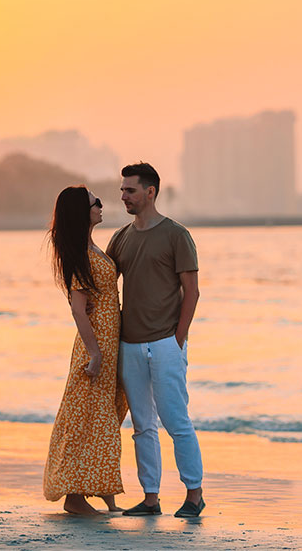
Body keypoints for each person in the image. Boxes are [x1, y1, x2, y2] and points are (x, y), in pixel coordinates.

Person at [106, 162, 205, 518]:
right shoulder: (121, 237)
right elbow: (102, 283)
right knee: (142, 426)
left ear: (150, 192)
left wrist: (177, 340)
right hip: (129, 345)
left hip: (165, 343)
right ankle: (151, 498)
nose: (123, 196)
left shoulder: (176, 235)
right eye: (122, 190)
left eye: (130, 190)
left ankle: (194, 495)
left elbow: (191, 292)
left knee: (176, 420)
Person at [43, 186, 128, 516]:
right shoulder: (80, 253)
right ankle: (74, 497)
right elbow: (79, 309)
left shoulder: (93, 248)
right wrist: (94, 353)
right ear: (83, 211)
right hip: (96, 346)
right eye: (96, 202)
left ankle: (102, 493)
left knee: (105, 417)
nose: (101, 205)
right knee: (87, 419)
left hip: (108, 341)